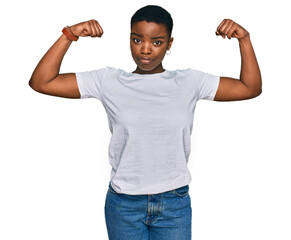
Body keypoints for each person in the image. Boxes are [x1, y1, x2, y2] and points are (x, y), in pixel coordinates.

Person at [29, 5, 262, 240]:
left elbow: (249, 88)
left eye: (157, 42)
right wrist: (69, 34)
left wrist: (245, 40)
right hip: (124, 205)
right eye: (137, 39)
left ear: (170, 44)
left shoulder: (190, 81)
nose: (146, 50)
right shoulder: (108, 81)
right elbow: (42, 82)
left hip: (174, 203)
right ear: (129, 39)